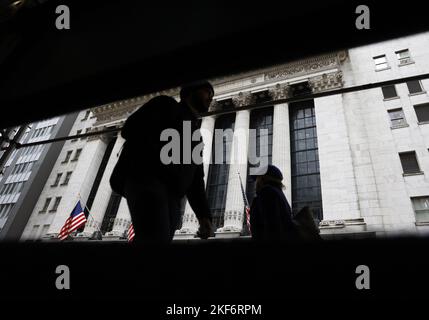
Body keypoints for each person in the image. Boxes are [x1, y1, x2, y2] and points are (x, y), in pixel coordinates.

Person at [110, 81, 214, 244]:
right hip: (146, 180)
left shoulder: (195, 136)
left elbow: (195, 180)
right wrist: (162, 164)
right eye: (207, 92)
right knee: (154, 239)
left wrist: (203, 216)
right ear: (190, 92)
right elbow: (130, 128)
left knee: (160, 240)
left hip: (172, 195)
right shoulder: (165, 104)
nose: (210, 98)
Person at [249, 165, 299, 242]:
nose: (256, 182)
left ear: (263, 178)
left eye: (257, 178)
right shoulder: (278, 194)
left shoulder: (267, 193)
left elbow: (271, 226)